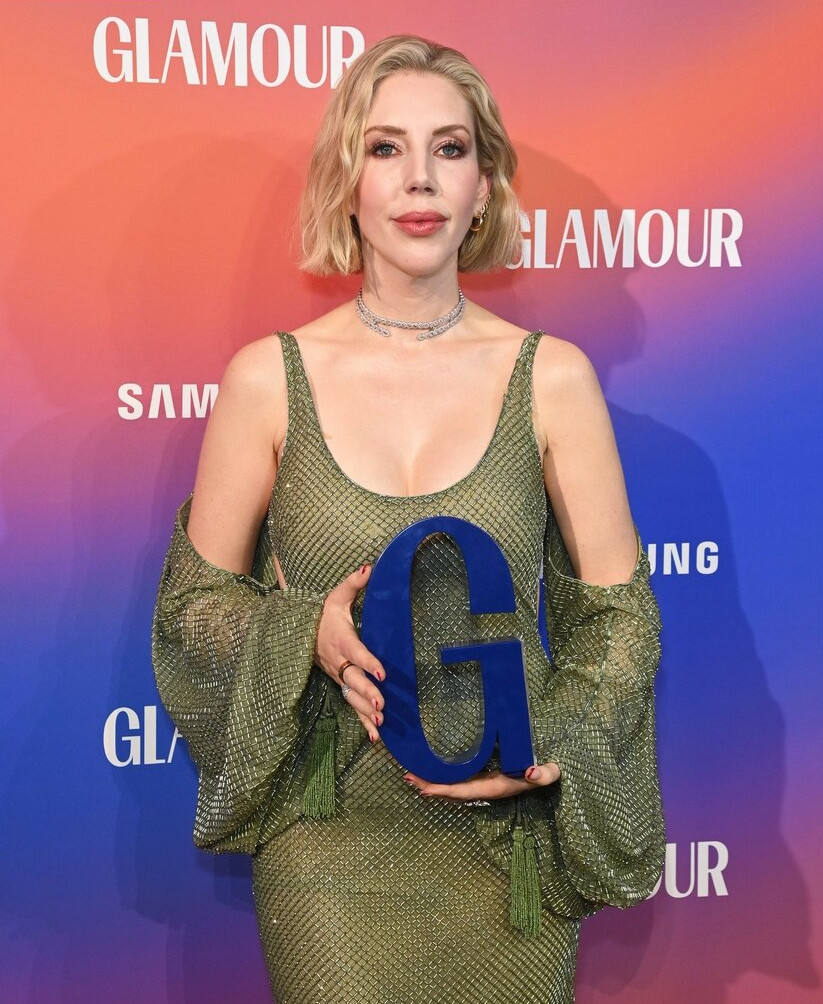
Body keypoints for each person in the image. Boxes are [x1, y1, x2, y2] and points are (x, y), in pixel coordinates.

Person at [151, 34, 665, 1004]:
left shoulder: (552, 378)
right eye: (386, 148)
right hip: (328, 846)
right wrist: (306, 630)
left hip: (506, 849)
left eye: (450, 148)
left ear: (484, 186)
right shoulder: (268, 380)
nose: (419, 177)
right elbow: (194, 612)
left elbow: (619, 621)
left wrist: (545, 745)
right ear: (346, 181)